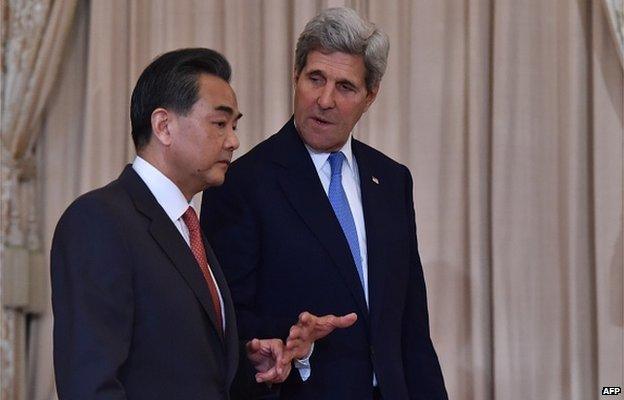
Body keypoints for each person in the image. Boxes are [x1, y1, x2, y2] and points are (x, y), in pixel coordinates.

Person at [201, 7, 448, 400]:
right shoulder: (242, 182)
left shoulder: (392, 180)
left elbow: (411, 327)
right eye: (315, 78)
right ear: (295, 77)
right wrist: (290, 344)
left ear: (370, 96)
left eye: (345, 87)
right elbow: (227, 321)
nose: (325, 99)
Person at [51, 48, 317, 400]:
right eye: (220, 124)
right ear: (163, 126)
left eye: (234, 126)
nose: (234, 141)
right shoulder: (99, 220)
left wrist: (248, 366)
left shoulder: (189, 228)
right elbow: (90, 384)